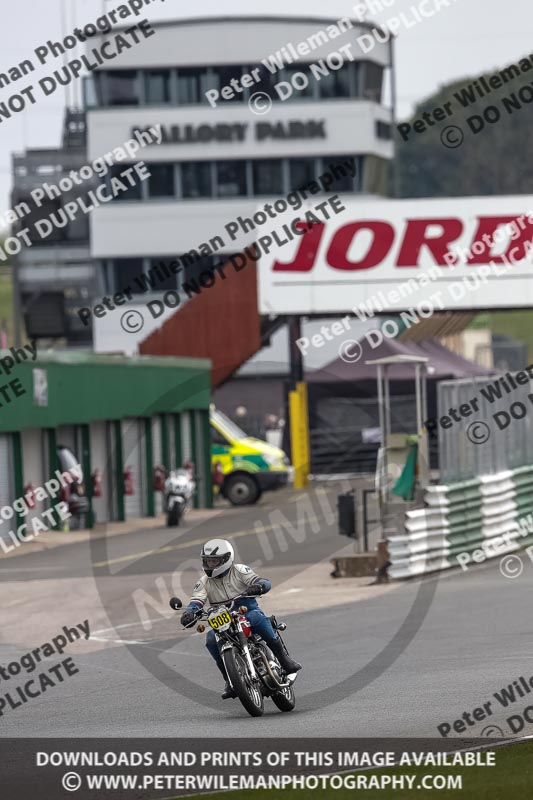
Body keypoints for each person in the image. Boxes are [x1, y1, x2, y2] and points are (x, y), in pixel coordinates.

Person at [180, 538, 302, 699]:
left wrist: (259, 586)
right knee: (210, 639)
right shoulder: (203, 582)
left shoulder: (239, 570)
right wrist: (189, 613)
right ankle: (229, 679)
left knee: (257, 618)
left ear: (226, 559)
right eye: (208, 561)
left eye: (215, 561)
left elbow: (260, 581)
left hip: (246, 610)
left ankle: (284, 660)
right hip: (222, 617)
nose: (211, 565)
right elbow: (196, 601)